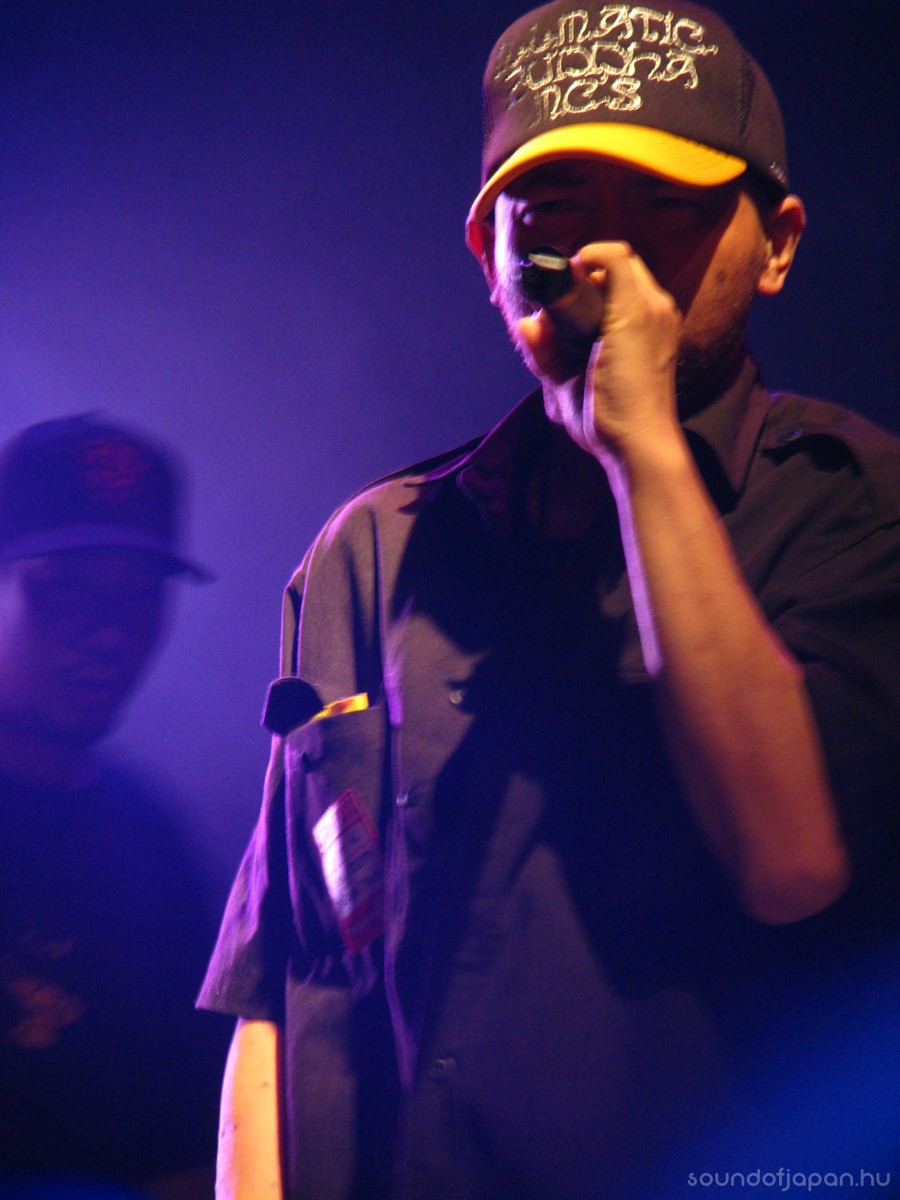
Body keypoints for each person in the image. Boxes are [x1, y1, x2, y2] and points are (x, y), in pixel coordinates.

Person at [198, 3, 900, 1198]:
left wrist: (642, 453)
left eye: (668, 206)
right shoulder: (376, 547)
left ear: (777, 243)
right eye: (558, 206)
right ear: (489, 251)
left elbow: (792, 862)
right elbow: (287, 983)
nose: (605, 256)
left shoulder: (857, 511)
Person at [0, 414, 229, 1198]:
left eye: (137, 597)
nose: (107, 634)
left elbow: (195, 1145)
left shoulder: (151, 838)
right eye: (61, 589)